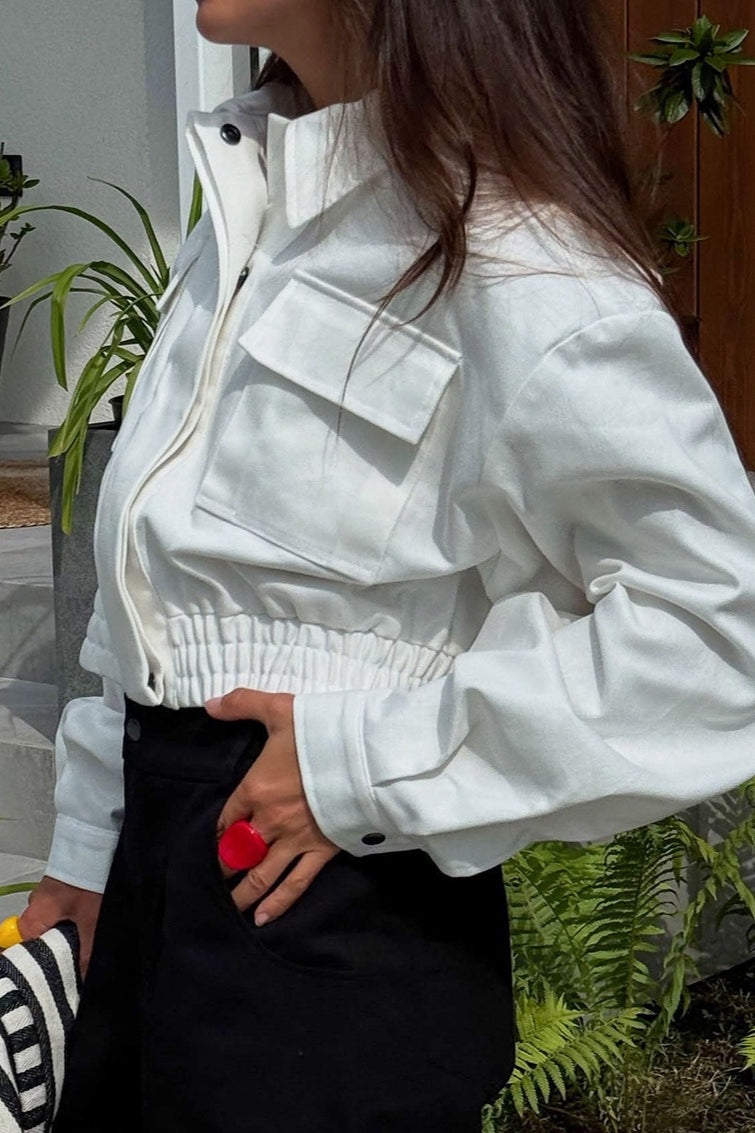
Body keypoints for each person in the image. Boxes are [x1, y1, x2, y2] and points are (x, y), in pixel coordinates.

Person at [18, 0, 755, 1129]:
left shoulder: (520, 260)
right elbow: (154, 581)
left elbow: (717, 632)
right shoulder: (250, 203)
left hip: (334, 918)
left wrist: (365, 764)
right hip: (153, 880)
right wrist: (86, 842)